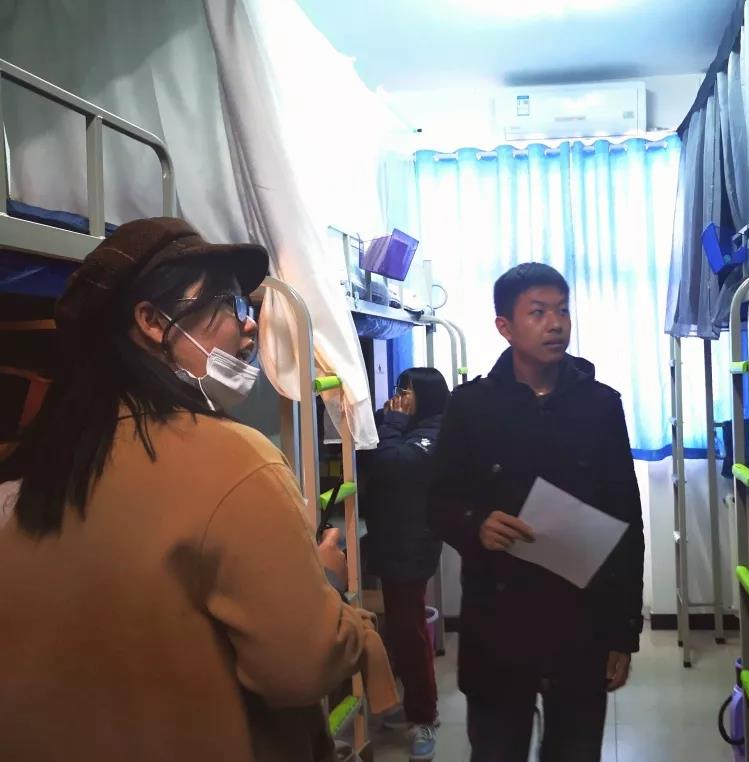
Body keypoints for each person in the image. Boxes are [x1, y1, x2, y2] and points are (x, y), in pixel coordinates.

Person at [0, 217, 397, 762]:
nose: (250, 324)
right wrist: (325, 582)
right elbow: (301, 670)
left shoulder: (38, 466)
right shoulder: (238, 462)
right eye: (229, 304)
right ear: (152, 321)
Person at [430, 262, 645, 762]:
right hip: (498, 620)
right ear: (504, 326)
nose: (556, 324)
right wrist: (476, 525)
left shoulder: (599, 406)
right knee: (497, 749)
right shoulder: (471, 407)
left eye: (562, 311)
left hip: (581, 620)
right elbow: (438, 502)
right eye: (539, 312)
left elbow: (626, 522)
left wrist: (623, 632)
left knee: (575, 749)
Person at [356, 367, 449, 762]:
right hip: (395, 542)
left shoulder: (435, 431)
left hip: (411, 547)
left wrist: (392, 422)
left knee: (410, 633)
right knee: (398, 628)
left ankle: (424, 716)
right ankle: (408, 705)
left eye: (406, 390)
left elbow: (394, 463)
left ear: (425, 395)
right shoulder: (413, 426)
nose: (399, 397)